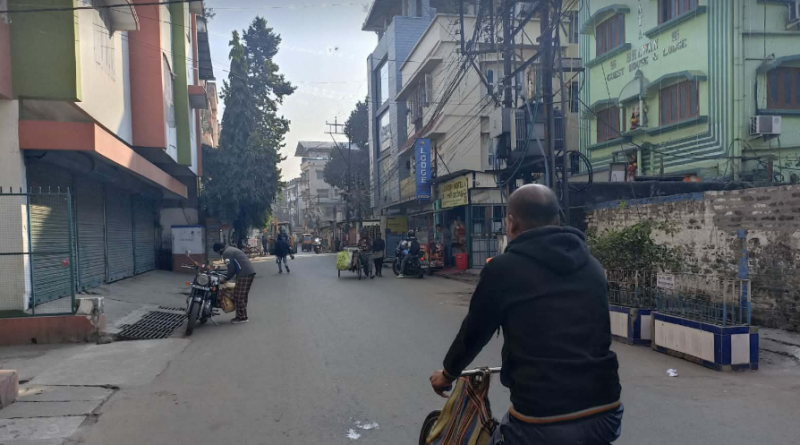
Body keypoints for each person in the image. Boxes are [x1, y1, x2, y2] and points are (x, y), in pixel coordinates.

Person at [429, 184, 622, 445]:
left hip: (539, 419)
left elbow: (473, 333)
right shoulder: (592, 266)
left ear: (510, 222)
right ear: (557, 219)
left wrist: (448, 373)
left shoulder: (502, 270)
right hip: (606, 412)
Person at [213, 242, 256, 324]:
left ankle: (242, 317)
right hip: (248, 272)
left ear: (220, 249)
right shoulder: (230, 249)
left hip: (244, 274)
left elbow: (231, 268)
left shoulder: (226, 253)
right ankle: (241, 315)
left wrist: (226, 278)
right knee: (242, 296)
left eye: (218, 253)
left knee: (238, 296)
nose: (219, 254)